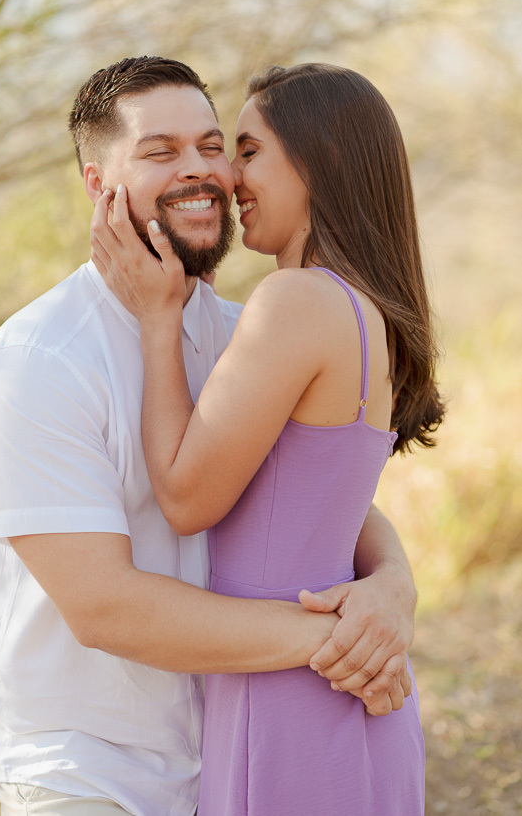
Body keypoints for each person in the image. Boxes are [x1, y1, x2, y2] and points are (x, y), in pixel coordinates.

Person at [0, 57, 418, 816]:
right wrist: (339, 638)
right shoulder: (37, 362)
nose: (203, 171)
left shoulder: (245, 332)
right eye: (160, 151)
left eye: (215, 146)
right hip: (91, 774)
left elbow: (310, 491)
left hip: (228, 748)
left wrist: (392, 585)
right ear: (96, 182)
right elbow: (106, 608)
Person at [90, 62, 446, 815]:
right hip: (344, 689)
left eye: (245, 151)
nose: (227, 177)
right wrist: (393, 583)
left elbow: (186, 497)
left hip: (285, 702)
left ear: (319, 160)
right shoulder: (359, 306)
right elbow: (317, 496)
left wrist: (159, 322)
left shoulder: (294, 301)